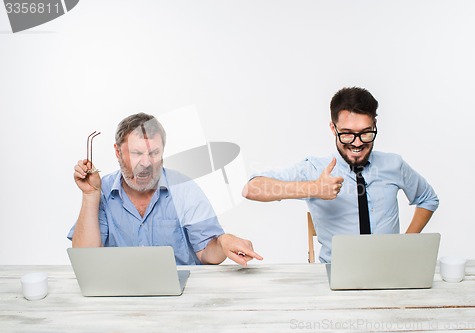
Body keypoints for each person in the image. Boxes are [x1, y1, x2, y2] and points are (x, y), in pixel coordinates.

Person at [243, 87, 439, 263]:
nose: (357, 143)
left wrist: (406, 245)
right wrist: (313, 189)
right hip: (336, 273)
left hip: (389, 270)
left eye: (366, 133)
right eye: (346, 133)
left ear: (375, 125)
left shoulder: (393, 165)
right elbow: (252, 188)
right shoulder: (314, 169)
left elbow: (427, 198)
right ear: (333, 129)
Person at [69, 112, 262, 266]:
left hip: (180, 300)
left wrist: (223, 242)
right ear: (118, 152)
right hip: (120, 300)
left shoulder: (184, 189)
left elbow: (207, 252)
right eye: (137, 153)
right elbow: (86, 260)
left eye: (154, 153)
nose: (146, 163)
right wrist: (90, 195)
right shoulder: (101, 190)